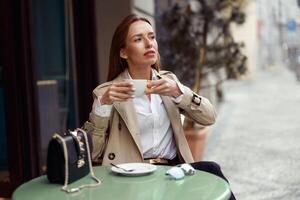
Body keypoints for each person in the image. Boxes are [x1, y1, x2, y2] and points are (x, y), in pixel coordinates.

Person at [84, 14, 235, 200]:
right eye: (138, 39)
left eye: (152, 37)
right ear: (124, 52)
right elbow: (92, 153)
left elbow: (209, 117)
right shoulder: (107, 93)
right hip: (131, 179)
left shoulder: (169, 82)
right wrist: (103, 107)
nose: (149, 44)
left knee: (212, 170)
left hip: (172, 172)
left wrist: (179, 92)